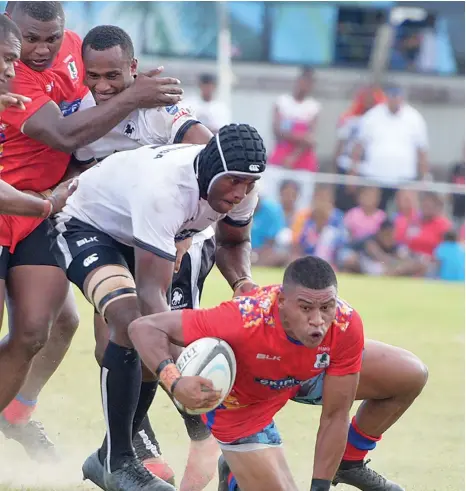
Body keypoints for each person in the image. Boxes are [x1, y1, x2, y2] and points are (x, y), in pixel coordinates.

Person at [0, 1, 183, 462]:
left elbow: (109, 85)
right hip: (17, 203)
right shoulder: (9, 73)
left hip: (45, 212)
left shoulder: (78, 50)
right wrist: (132, 97)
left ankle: (16, 412)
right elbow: (63, 136)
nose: (38, 51)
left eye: (51, 38)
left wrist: (140, 98)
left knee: (51, 328)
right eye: (26, 41)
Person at [50, 124, 266, 491]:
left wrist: (242, 284)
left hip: (143, 234)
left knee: (152, 333)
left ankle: (109, 457)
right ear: (213, 166)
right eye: (234, 182)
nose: (241, 192)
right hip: (85, 224)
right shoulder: (165, 191)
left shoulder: (242, 189)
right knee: (131, 320)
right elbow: (152, 299)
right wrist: (176, 376)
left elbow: (233, 242)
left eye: (249, 183)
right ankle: (117, 462)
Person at [128, 255, 428, 491]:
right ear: (283, 303)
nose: (318, 321)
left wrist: (320, 487)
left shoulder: (345, 324)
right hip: (242, 407)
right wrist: (174, 381)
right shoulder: (241, 319)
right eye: (306, 308)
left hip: (301, 375)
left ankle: (349, 463)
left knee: (409, 374)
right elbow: (144, 327)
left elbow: (335, 415)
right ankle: (235, 473)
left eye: (326, 307)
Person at [72, 25, 219, 489]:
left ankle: (205, 436)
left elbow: (206, 149)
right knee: (116, 337)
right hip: (110, 234)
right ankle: (134, 440)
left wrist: (184, 231)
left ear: (133, 69)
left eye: (113, 74)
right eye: (92, 75)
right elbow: (68, 167)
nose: (103, 86)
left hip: (174, 240)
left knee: (168, 329)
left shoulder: (160, 111)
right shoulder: (78, 117)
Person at [269, 66, 320, 172]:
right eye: (303, 82)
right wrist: (301, 137)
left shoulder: (313, 107)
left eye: (309, 83)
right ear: (297, 81)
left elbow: (310, 139)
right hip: (280, 156)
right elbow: (277, 131)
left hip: (303, 158)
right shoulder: (282, 102)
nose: (305, 86)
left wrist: (293, 157)